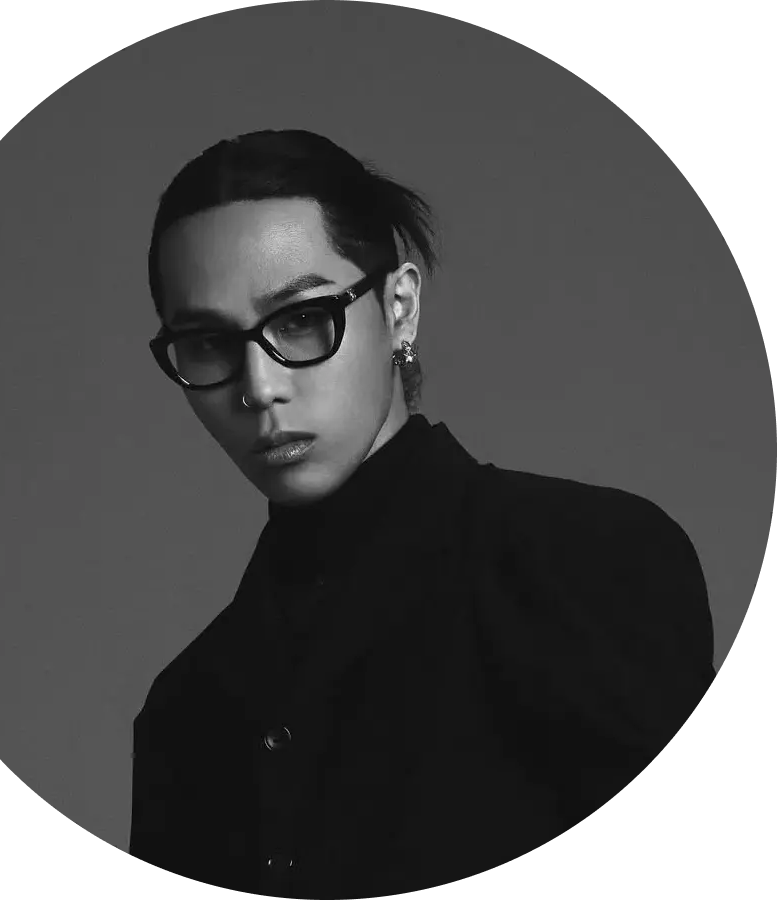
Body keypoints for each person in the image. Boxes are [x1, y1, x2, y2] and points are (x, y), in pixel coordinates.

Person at [130, 129, 717, 897]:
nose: (259, 386)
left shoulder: (583, 561)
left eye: (302, 319)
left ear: (399, 307)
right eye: (207, 342)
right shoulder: (188, 709)